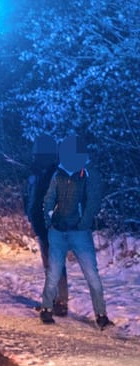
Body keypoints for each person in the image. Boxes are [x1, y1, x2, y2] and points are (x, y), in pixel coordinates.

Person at [39, 137, 110, 329]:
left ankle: (101, 315)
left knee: (91, 274)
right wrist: (49, 221)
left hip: (80, 233)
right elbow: (49, 198)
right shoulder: (58, 174)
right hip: (58, 232)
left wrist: (83, 223)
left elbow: (93, 202)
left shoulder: (89, 174)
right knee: (53, 273)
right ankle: (46, 309)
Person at [25, 136, 69, 317]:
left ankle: (57, 302)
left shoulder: (52, 175)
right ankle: (56, 301)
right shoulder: (45, 173)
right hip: (46, 226)